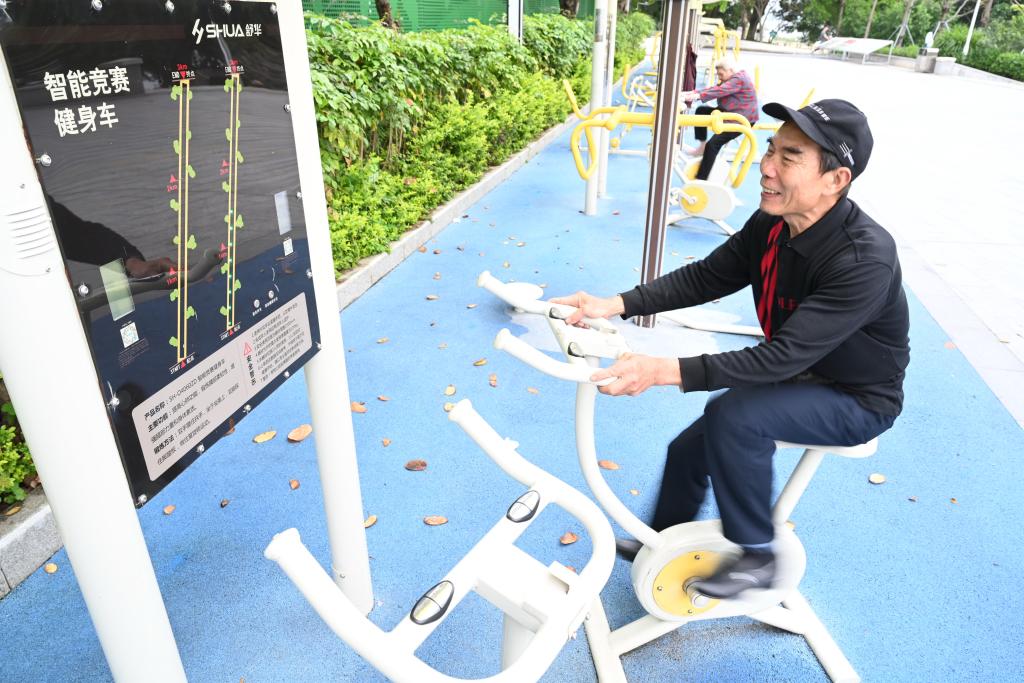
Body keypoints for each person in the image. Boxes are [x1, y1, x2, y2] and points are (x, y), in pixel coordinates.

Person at [550, 99, 910, 599]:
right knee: (688, 448)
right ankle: (665, 540)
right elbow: (708, 276)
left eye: (790, 157)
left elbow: (782, 356)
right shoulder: (772, 223)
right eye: (771, 149)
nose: (767, 167)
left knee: (734, 417)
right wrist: (615, 304)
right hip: (802, 372)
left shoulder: (863, 257)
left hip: (857, 397)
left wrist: (662, 370)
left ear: (836, 179)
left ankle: (759, 556)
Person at [680, 56, 758, 182]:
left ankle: (701, 179)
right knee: (701, 111)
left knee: (712, 145)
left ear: (730, 70)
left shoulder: (739, 79)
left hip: (742, 119)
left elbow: (720, 91)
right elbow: (714, 88)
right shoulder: (732, 78)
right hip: (731, 112)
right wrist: (691, 93)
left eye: (721, 74)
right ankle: (701, 147)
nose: (719, 77)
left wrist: (695, 96)